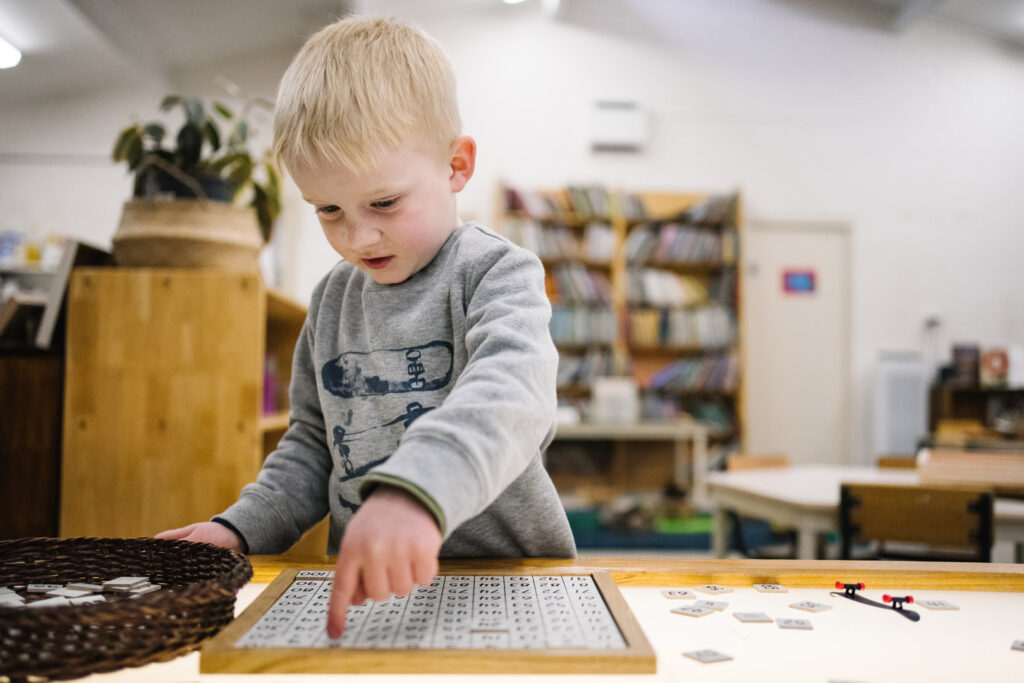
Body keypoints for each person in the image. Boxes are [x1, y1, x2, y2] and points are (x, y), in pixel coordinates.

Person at [156, 15, 576, 638]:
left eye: (383, 203)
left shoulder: (495, 272)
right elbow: (310, 447)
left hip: (513, 579)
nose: (358, 236)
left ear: (456, 165)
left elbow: (513, 397)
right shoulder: (330, 300)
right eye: (328, 209)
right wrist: (241, 527)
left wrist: (414, 493)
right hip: (374, 589)